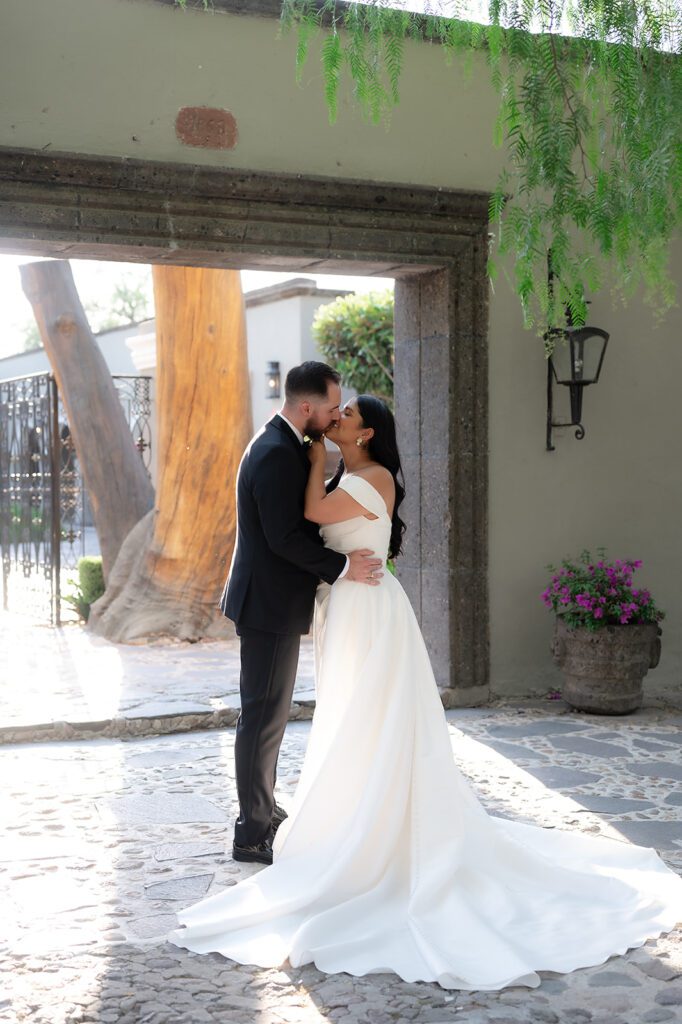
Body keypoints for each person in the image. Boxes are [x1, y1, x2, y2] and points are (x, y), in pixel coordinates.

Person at [170, 395, 682, 991]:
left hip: (368, 612)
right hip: (350, 606)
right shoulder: (353, 471)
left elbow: (311, 511)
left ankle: (377, 829)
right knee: (352, 717)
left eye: (347, 415)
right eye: (334, 411)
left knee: (372, 717)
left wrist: (312, 456)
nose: (336, 419)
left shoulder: (371, 476)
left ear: (365, 434)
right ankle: (352, 815)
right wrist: (322, 458)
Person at [219, 363, 383, 867]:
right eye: (332, 406)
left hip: (274, 603)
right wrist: (342, 566)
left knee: (268, 716)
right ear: (307, 407)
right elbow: (283, 537)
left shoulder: (290, 445)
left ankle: (263, 809)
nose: (336, 415)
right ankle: (251, 831)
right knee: (262, 718)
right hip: (267, 605)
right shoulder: (273, 452)